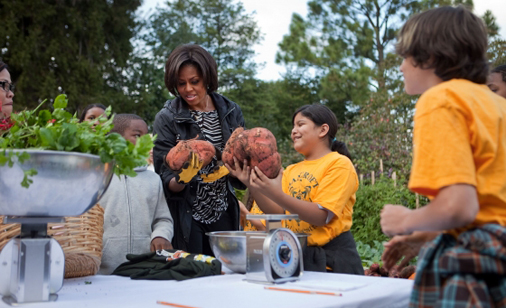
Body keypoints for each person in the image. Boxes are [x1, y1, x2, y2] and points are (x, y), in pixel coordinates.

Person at [379, 6, 506, 307]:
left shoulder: (440, 99)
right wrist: (425, 235)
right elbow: (491, 204)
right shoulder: (496, 106)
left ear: (431, 57)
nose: (401, 68)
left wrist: (406, 220)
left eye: (405, 57)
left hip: (470, 261)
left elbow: (459, 206)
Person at [228, 104, 364, 275]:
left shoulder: (339, 164)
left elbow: (321, 216)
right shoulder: (292, 169)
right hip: (297, 257)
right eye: (293, 126)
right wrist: (250, 183)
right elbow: (278, 213)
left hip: (332, 263)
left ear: (322, 130)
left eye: (300, 124)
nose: (293, 131)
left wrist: (275, 193)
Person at [152, 44, 245, 255]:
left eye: (195, 82)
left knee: (224, 277)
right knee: (192, 277)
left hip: (223, 213)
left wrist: (221, 155)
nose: (188, 90)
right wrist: (183, 177)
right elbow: (164, 179)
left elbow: (241, 166)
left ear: (208, 78)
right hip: (186, 217)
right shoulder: (166, 118)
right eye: (181, 83)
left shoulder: (231, 111)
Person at [99, 114, 174, 275]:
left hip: (143, 268)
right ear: (115, 140)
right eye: (137, 135)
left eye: (146, 136)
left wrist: (160, 236)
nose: (145, 141)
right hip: (102, 271)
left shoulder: (153, 179)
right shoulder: (98, 176)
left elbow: (163, 219)